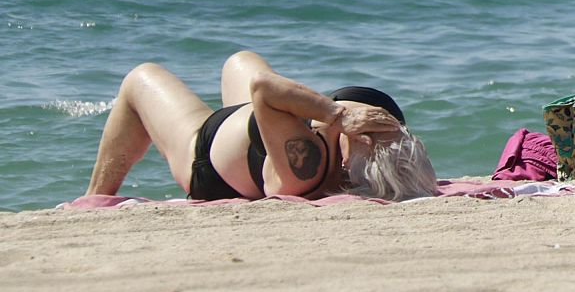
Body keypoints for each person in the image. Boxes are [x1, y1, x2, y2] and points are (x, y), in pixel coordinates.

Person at [86, 50, 438, 201]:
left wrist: (339, 115)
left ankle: (94, 199)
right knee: (240, 60)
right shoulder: (366, 154)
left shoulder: (308, 167)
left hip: (206, 156)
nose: (370, 124)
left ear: (348, 163)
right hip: (254, 131)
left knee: (140, 79)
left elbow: (263, 89)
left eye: (368, 134)